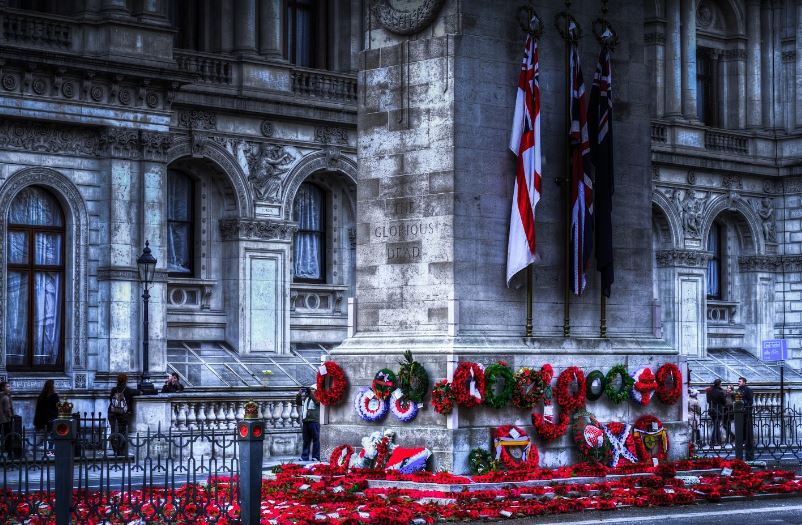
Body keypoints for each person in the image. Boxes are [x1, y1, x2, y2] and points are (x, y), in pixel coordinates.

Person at [108, 374, 137, 456]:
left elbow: (111, 399)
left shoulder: (114, 389)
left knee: (113, 431)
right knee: (123, 431)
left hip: (112, 412)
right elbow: (138, 392)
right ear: (125, 380)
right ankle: (121, 450)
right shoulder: (127, 390)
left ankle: (115, 450)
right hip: (123, 413)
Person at [34, 380, 60, 457]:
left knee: (46, 435)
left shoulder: (41, 396)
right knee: (52, 435)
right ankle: (50, 451)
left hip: (43, 419)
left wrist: (37, 421)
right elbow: (58, 408)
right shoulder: (54, 396)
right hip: (52, 419)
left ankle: (46, 450)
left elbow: (38, 410)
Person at [296, 385, 320, 461]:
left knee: (316, 439)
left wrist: (311, 393)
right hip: (306, 420)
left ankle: (315, 456)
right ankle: (304, 456)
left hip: (314, 421)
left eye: (312, 389)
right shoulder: (306, 398)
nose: (310, 390)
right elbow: (298, 403)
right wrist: (299, 395)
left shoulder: (317, 396)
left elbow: (317, 402)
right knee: (306, 440)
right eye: (310, 389)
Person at [0, 382, 21, 458]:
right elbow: (7, 409)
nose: (9, 388)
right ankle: (9, 454)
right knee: (8, 437)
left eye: (9, 386)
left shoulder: (2, 395)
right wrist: (11, 417)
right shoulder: (6, 397)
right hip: (6, 420)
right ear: (3, 388)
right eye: (7, 386)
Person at [737, 376, 755, 460]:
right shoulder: (738, 390)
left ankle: (748, 445)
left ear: (744, 382)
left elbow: (750, 401)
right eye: (738, 381)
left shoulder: (748, 390)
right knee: (741, 429)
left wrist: (744, 404)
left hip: (747, 413)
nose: (738, 382)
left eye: (740, 381)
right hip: (739, 414)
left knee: (747, 430)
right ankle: (742, 442)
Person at [707, 379, 726, 445]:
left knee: (716, 425)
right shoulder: (720, 391)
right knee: (716, 425)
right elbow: (724, 402)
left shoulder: (709, 391)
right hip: (718, 410)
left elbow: (708, 401)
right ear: (719, 384)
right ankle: (713, 441)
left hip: (711, 410)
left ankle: (718, 440)